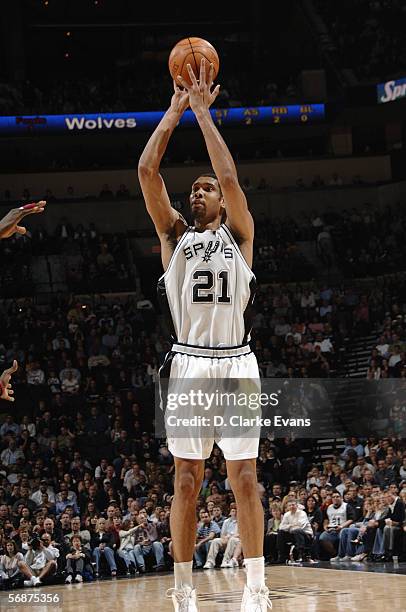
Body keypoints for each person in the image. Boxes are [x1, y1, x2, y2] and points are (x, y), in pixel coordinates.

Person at [138, 58, 269, 611]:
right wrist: (172, 112)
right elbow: (147, 172)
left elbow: (233, 176)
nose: (197, 192)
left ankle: (256, 586)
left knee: (243, 477)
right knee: (187, 481)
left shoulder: (240, 236)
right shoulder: (174, 236)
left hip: (237, 361)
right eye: (192, 189)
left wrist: (202, 113)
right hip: (190, 362)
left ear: (221, 201)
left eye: (205, 189)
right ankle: (183, 589)